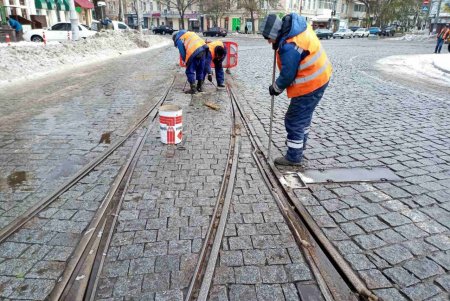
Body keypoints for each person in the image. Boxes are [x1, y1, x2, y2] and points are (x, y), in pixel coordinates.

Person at [259, 13, 332, 166]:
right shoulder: (295, 29)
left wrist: (276, 88)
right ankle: (299, 143)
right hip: (321, 78)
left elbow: (288, 75)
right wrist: (278, 42)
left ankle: (293, 156)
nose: (268, 42)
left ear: (274, 34)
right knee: (303, 116)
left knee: (294, 119)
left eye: (268, 38)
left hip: (310, 84)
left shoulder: (289, 46)